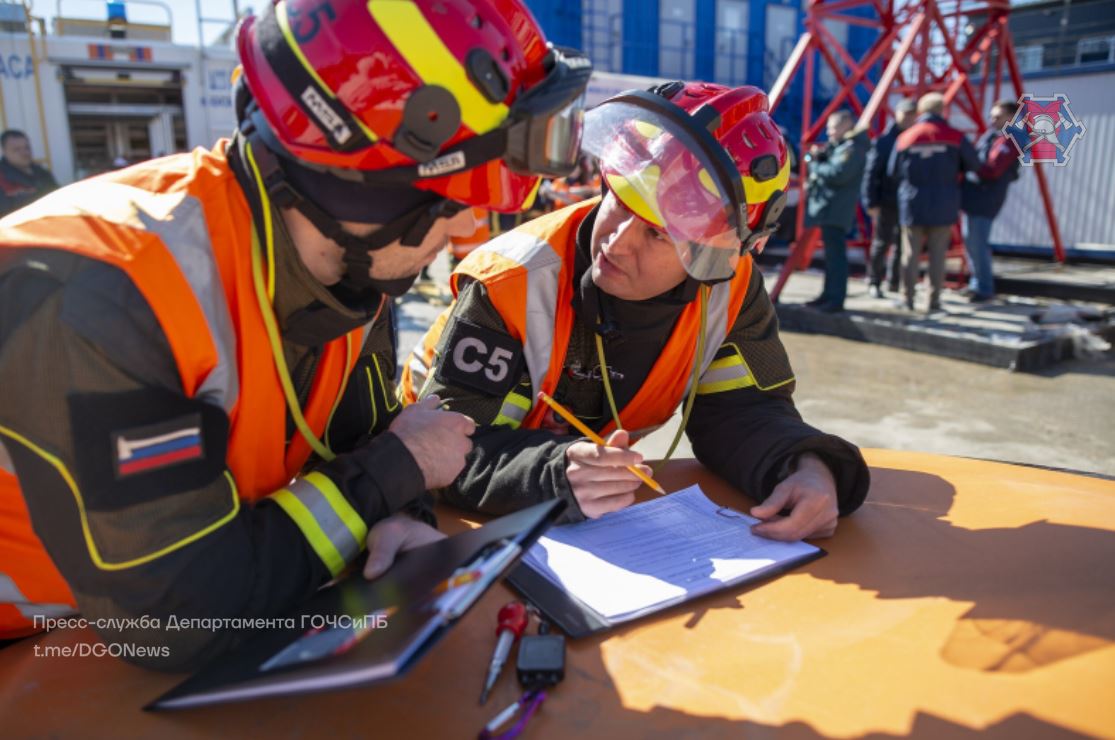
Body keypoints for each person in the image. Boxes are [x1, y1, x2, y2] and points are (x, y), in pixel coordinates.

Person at [0, 0, 591, 668]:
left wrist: (403, 519)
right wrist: (398, 471)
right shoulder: (100, 294)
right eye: (453, 207)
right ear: (366, 195)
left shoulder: (350, 269)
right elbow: (181, 617)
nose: (463, 235)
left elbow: (365, 440)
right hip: (37, 655)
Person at [401, 82, 869, 538]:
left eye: (658, 233)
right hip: (420, 509)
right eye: (619, 199)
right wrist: (551, 472)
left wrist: (807, 465)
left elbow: (742, 411)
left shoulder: (730, 287)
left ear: (715, 252)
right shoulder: (513, 281)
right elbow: (444, 450)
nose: (616, 241)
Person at [888, 92, 980, 313]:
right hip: (944, 205)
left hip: (912, 204)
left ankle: (907, 299)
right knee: (938, 257)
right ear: (942, 110)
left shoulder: (906, 137)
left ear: (921, 111)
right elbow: (974, 165)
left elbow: (892, 171)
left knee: (910, 255)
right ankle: (933, 302)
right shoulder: (955, 137)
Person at [803, 110, 869, 313]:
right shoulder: (841, 147)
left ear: (846, 126)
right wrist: (824, 155)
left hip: (836, 209)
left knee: (836, 257)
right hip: (829, 208)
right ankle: (828, 295)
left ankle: (835, 298)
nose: (829, 132)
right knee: (831, 257)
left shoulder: (852, 148)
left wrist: (815, 164)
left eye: (832, 128)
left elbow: (838, 174)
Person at [961, 100, 1021, 303]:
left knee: (977, 243)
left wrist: (968, 164)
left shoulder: (1008, 141)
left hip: (986, 198)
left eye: (997, 116)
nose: (992, 120)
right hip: (975, 196)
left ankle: (984, 288)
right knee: (970, 242)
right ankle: (976, 284)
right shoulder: (993, 138)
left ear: (1010, 118)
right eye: (992, 116)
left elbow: (992, 169)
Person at [861, 98, 917, 299]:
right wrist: (871, 202)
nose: (910, 118)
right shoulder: (884, 141)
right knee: (881, 243)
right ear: (897, 114)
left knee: (902, 244)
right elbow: (871, 173)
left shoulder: (915, 138)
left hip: (908, 201)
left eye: (913, 114)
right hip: (886, 201)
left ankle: (894, 282)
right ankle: (874, 280)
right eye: (906, 113)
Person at [0, 129, 57, 217]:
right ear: (4, 151)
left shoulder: (43, 174)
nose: (24, 153)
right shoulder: (2, 179)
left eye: (27, 148)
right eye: (16, 149)